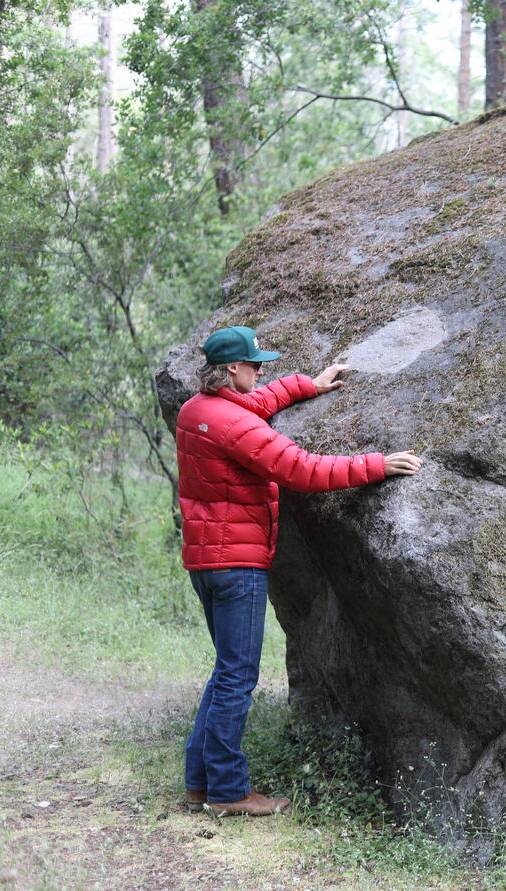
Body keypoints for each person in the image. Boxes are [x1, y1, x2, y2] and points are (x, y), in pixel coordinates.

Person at [176, 325, 422, 818]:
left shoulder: (196, 410)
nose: (262, 369)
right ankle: (228, 791)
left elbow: (252, 406)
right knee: (237, 678)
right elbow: (300, 470)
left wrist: (308, 384)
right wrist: (376, 465)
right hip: (238, 565)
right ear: (231, 369)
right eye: (255, 364)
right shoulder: (232, 423)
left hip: (207, 560)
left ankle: (200, 783)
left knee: (225, 673)